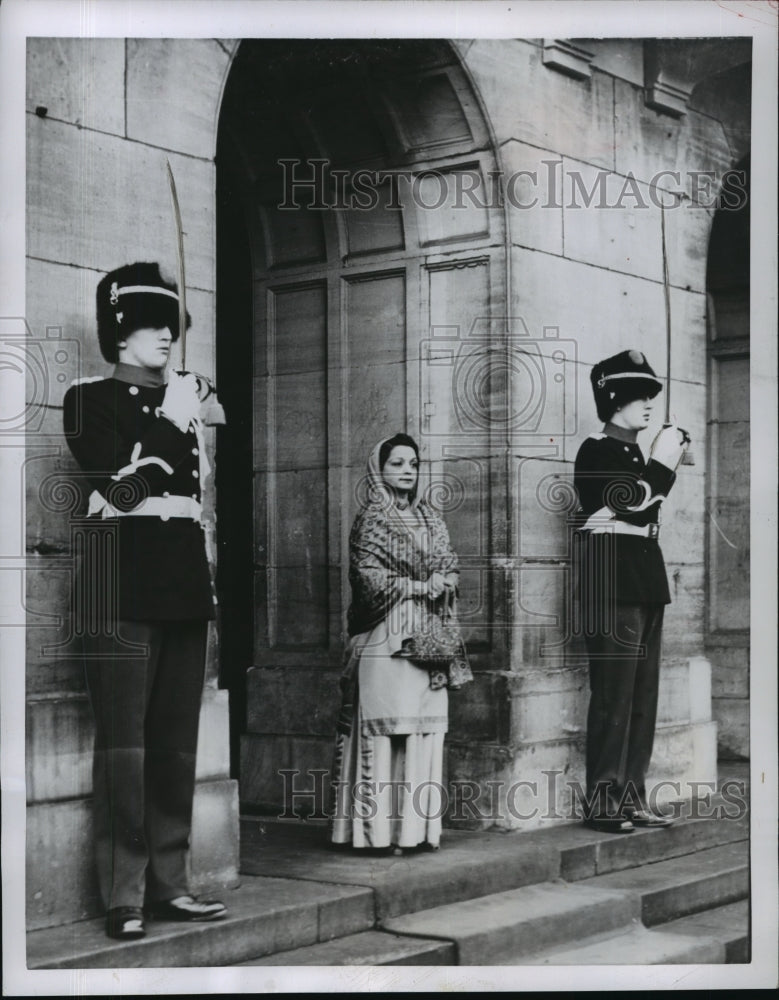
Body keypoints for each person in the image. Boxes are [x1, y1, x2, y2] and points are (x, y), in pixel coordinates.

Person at [62, 262, 226, 939]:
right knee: (124, 748)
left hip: (181, 578)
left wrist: (181, 411)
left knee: (173, 745)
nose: (167, 335)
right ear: (120, 333)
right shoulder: (87, 399)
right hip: (117, 578)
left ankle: (170, 883)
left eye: (171, 324)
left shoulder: (184, 402)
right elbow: (121, 493)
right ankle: (124, 895)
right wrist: (168, 420)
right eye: (151, 325)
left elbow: (190, 502)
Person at [329, 434, 471, 854]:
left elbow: (449, 562)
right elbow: (366, 577)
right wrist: (419, 584)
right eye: (397, 464)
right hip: (387, 631)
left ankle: (415, 832)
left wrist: (446, 580)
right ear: (380, 469)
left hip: (428, 633)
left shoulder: (430, 517)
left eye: (413, 463)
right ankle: (376, 834)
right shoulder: (371, 518)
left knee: (422, 726)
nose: (407, 471)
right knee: (388, 726)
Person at [573, 349, 690, 834]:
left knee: (643, 696)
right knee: (614, 697)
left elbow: (640, 509)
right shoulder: (595, 450)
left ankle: (631, 796)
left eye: (650, 396)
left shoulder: (636, 455)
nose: (648, 405)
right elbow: (635, 505)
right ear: (613, 398)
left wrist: (658, 463)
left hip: (643, 576)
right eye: (639, 396)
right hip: (610, 579)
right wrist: (665, 462)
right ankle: (603, 801)